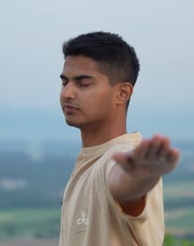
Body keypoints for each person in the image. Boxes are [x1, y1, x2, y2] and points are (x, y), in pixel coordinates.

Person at [58, 31, 180, 246]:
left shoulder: (121, 156)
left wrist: (138, 178)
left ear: (122, 93)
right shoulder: (91, 160)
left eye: (83, 83)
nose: (67, 93)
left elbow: (124, 184)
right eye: (64, 82)